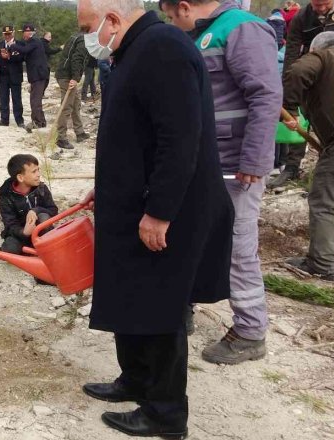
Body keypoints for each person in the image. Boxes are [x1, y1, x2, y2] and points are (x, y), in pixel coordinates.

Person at [76, 0, 234, 437]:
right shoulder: (135, 50)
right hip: (132, 202)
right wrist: (105, 187)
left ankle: (164, 414)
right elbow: (133, 135)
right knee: (129, 296)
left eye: (90, 28)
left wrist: (159, 212)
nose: (89, 39)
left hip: (166, 210)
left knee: (158, 307)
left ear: (112, 20)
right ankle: (136, 381)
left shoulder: (162, 48)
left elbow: (179, 139)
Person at [161, 0, 283, 366]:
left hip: (234, 165)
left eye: (170, 16)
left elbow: (265, 94)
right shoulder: (203, 35)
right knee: (189, 236)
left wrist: (255, 159)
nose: (171, 23)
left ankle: (249, 330)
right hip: (204, 162)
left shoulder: (242, 28)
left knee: (236, 246)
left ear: (183, 6)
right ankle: (184, 306)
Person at [283, 32, 334, 281]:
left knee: (327, 203)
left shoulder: (325, 56)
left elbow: (297, 72)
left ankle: (322, 265)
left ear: (317, 48)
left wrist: (289, 108)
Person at [275, 0, 334, 188]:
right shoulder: (301, 18)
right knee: (302, 122)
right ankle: (292, 166)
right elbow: (291, 53)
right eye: (316, 5)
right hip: (310, 78)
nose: (320, 9)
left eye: (325, 4)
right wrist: (290, 91)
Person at [0, 154, 58, 255]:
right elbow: (10, 224)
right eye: (34, 171)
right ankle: (32, 249)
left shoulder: (41, 189)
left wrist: (35, 210)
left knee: (44, 217)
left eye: (38, 170)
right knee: (10, 248)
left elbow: (53, 210)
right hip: (21, 236)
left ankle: (40, 248)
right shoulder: (6, 196)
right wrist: (24, 232)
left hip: (41, 233)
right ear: (20, 178)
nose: (38, 174)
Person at [52, 31, 91, 155]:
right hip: (67, 76)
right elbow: (77, 58)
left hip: (65, 74)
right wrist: (75, 77)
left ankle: (80, 133)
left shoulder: (76, 36)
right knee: (67, 106)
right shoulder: (84, 39)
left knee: (76, 103)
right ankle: (61, 138)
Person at [15, 24, 53, 130]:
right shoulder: (32, 43)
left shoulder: (34, 41)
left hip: (39, 75)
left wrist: (12, 45)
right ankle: (41, 121)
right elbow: (23, 55)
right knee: (36, 99)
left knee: (35, 100)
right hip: (37, 75)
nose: (22, 34)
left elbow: (24, 51)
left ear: (29, 32)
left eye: (24, 32)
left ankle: (38, 122)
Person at [0, 26, 26, 128]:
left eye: (9, 34)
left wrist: (9, 57)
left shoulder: (20, 44)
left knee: (16, 99)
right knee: (3, 99)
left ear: (13, 33)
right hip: (2, 76)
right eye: (5, 34)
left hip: (15, 75)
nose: (7, 36)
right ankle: (4, 120)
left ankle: (19, 120)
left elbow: (22, 58)